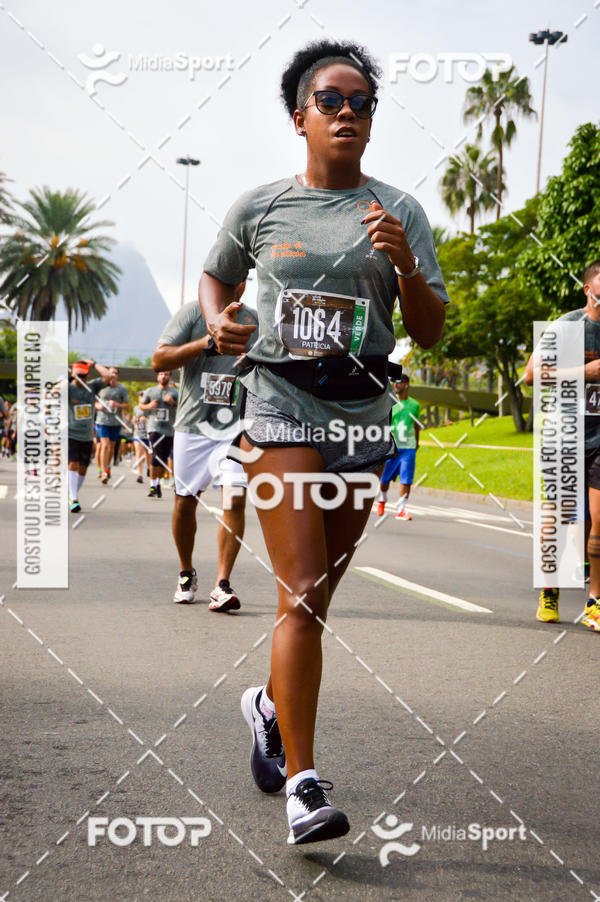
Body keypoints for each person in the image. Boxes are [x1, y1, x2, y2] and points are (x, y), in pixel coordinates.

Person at [199, 39, 448, 844]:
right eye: (331, 100)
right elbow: (218, 276)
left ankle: (269, 706)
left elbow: (433, 330)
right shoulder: (261, 207)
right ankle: (305, 785)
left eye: (363, 102)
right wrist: (218, 319)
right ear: (299, 115)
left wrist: (407, 269)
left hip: (363, 415)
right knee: (302, 591)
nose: (348, 113)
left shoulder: (400, 211)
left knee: (314, 600)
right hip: (279, 402)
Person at [152, 291, 258, 610]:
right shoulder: (191, 314)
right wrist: (206, 342)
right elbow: (159, 359)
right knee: (185, 504)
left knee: (234, 498)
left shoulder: (254, 319)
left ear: (244, 279)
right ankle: (186, 573)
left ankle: (221, 584)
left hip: (235, 427)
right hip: (193, 427)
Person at [524, 258, 600, 631]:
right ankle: (550, 590)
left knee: (599, 519)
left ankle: (594, 601)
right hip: (564, 435)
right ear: (589, 289)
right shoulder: (568, 326)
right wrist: (584, 372)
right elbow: (531, 376)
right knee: (557, 518)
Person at [67, 359, 111, 511]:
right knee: (73, 463)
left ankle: (73, 495)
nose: (82, 378)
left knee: (83, 468)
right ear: (73, 375)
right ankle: (73, 498)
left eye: (84, 375)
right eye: (78, 375)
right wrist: (68, 378)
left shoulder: (91, 386)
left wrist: (94, 364)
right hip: (71, 433)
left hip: (87, 435)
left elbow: (108, 376)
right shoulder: (68, 388)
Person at [376, 374, 421, 520]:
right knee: (384, 480)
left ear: (407, 384)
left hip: (408, 448)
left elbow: (415, 426)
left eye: (399, 382)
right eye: (394, 382)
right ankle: (382, 499)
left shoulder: (415, 405)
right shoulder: (390, 403)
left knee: (406, 479)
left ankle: (401, 509)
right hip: (391, 448)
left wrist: (417, 443)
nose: (395, 385)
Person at [139, 371, 178, 498]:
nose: (164, 376)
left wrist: (172, 402)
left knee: (163, 458)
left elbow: (182, 409)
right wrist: (149, 405)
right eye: (161, 374)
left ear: (170, 377)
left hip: (169, 430)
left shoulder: (175, 393)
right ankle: (152, 485)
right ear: (157, 377)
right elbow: (141, 406)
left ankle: (157, 484)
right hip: (154, 428)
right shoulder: (150, 391)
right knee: (156, 455)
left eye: (166, 374)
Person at [95, 366, 129, 484]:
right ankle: (103, 471)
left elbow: (127, 405)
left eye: (115, 373)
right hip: (102, 420)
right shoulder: (101, 387)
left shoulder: (121, 389)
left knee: (111, 447)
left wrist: (117, 404)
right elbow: (94, 401)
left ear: (117, 375)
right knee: (104, 445)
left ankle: (107, 467)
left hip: (115, 421)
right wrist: (98, 406)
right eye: (111, 373)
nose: (113, 375)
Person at [132, 393, 151, 484]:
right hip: (138, 433)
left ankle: (148, 467)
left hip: (148, 434)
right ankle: (140, 475)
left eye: (144, 396)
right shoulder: (136, 408)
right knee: (139, 453)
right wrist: (137, 420)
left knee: (148, 453)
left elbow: (154, 420)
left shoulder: (151, 407)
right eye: (140, 396)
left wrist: (146, 420)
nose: (142, 398)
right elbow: (134, 419)